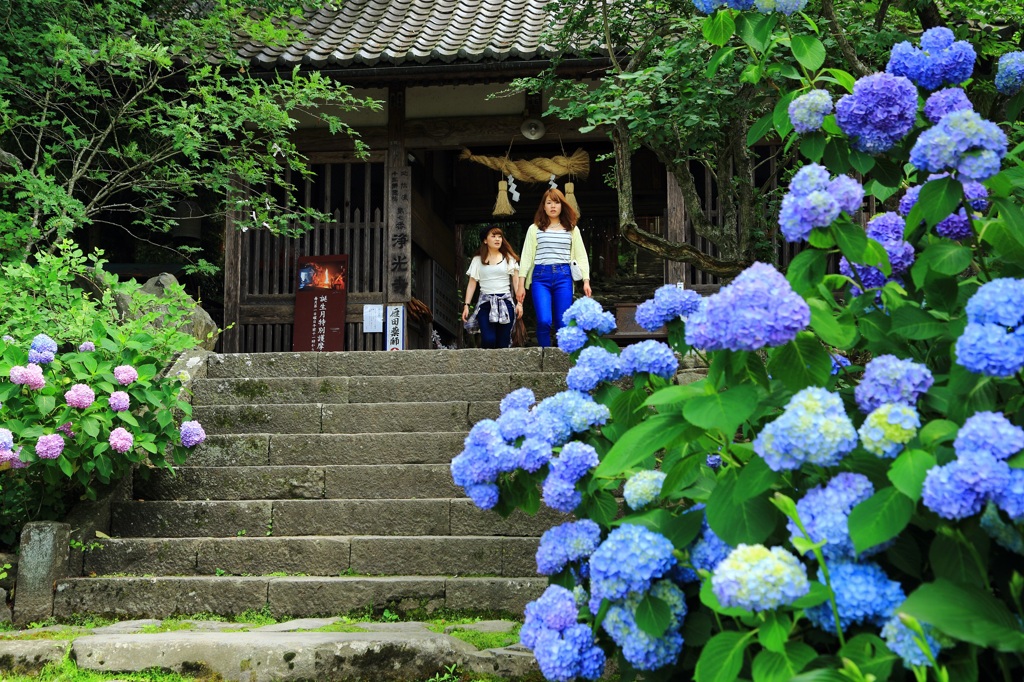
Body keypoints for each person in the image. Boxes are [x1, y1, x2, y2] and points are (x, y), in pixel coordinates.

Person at [516, 188, 591, 347]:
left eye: (556, 202)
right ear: (543, 206)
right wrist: (521, 285)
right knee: (544, 320)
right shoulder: (534, 228)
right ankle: (544, 356)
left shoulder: (572, 229)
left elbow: (581, 255)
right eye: (548, 202)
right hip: (540, 277)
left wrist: (586, 280)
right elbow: (526, 257)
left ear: (562, 205)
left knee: (562, 322)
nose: (552, 206)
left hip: (564, 277)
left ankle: (562, 359)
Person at [462, 226, 523, 348]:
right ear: (485, 240)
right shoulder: (477, 260)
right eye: (493, 236)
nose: (497, 239)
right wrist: (466, 305)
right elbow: (472, 284)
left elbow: (516, 283)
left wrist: (519, 304)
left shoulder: (509, 259)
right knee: (488, 339)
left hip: (505, 303)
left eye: (500, 236)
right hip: (485, 304)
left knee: (503, 342)